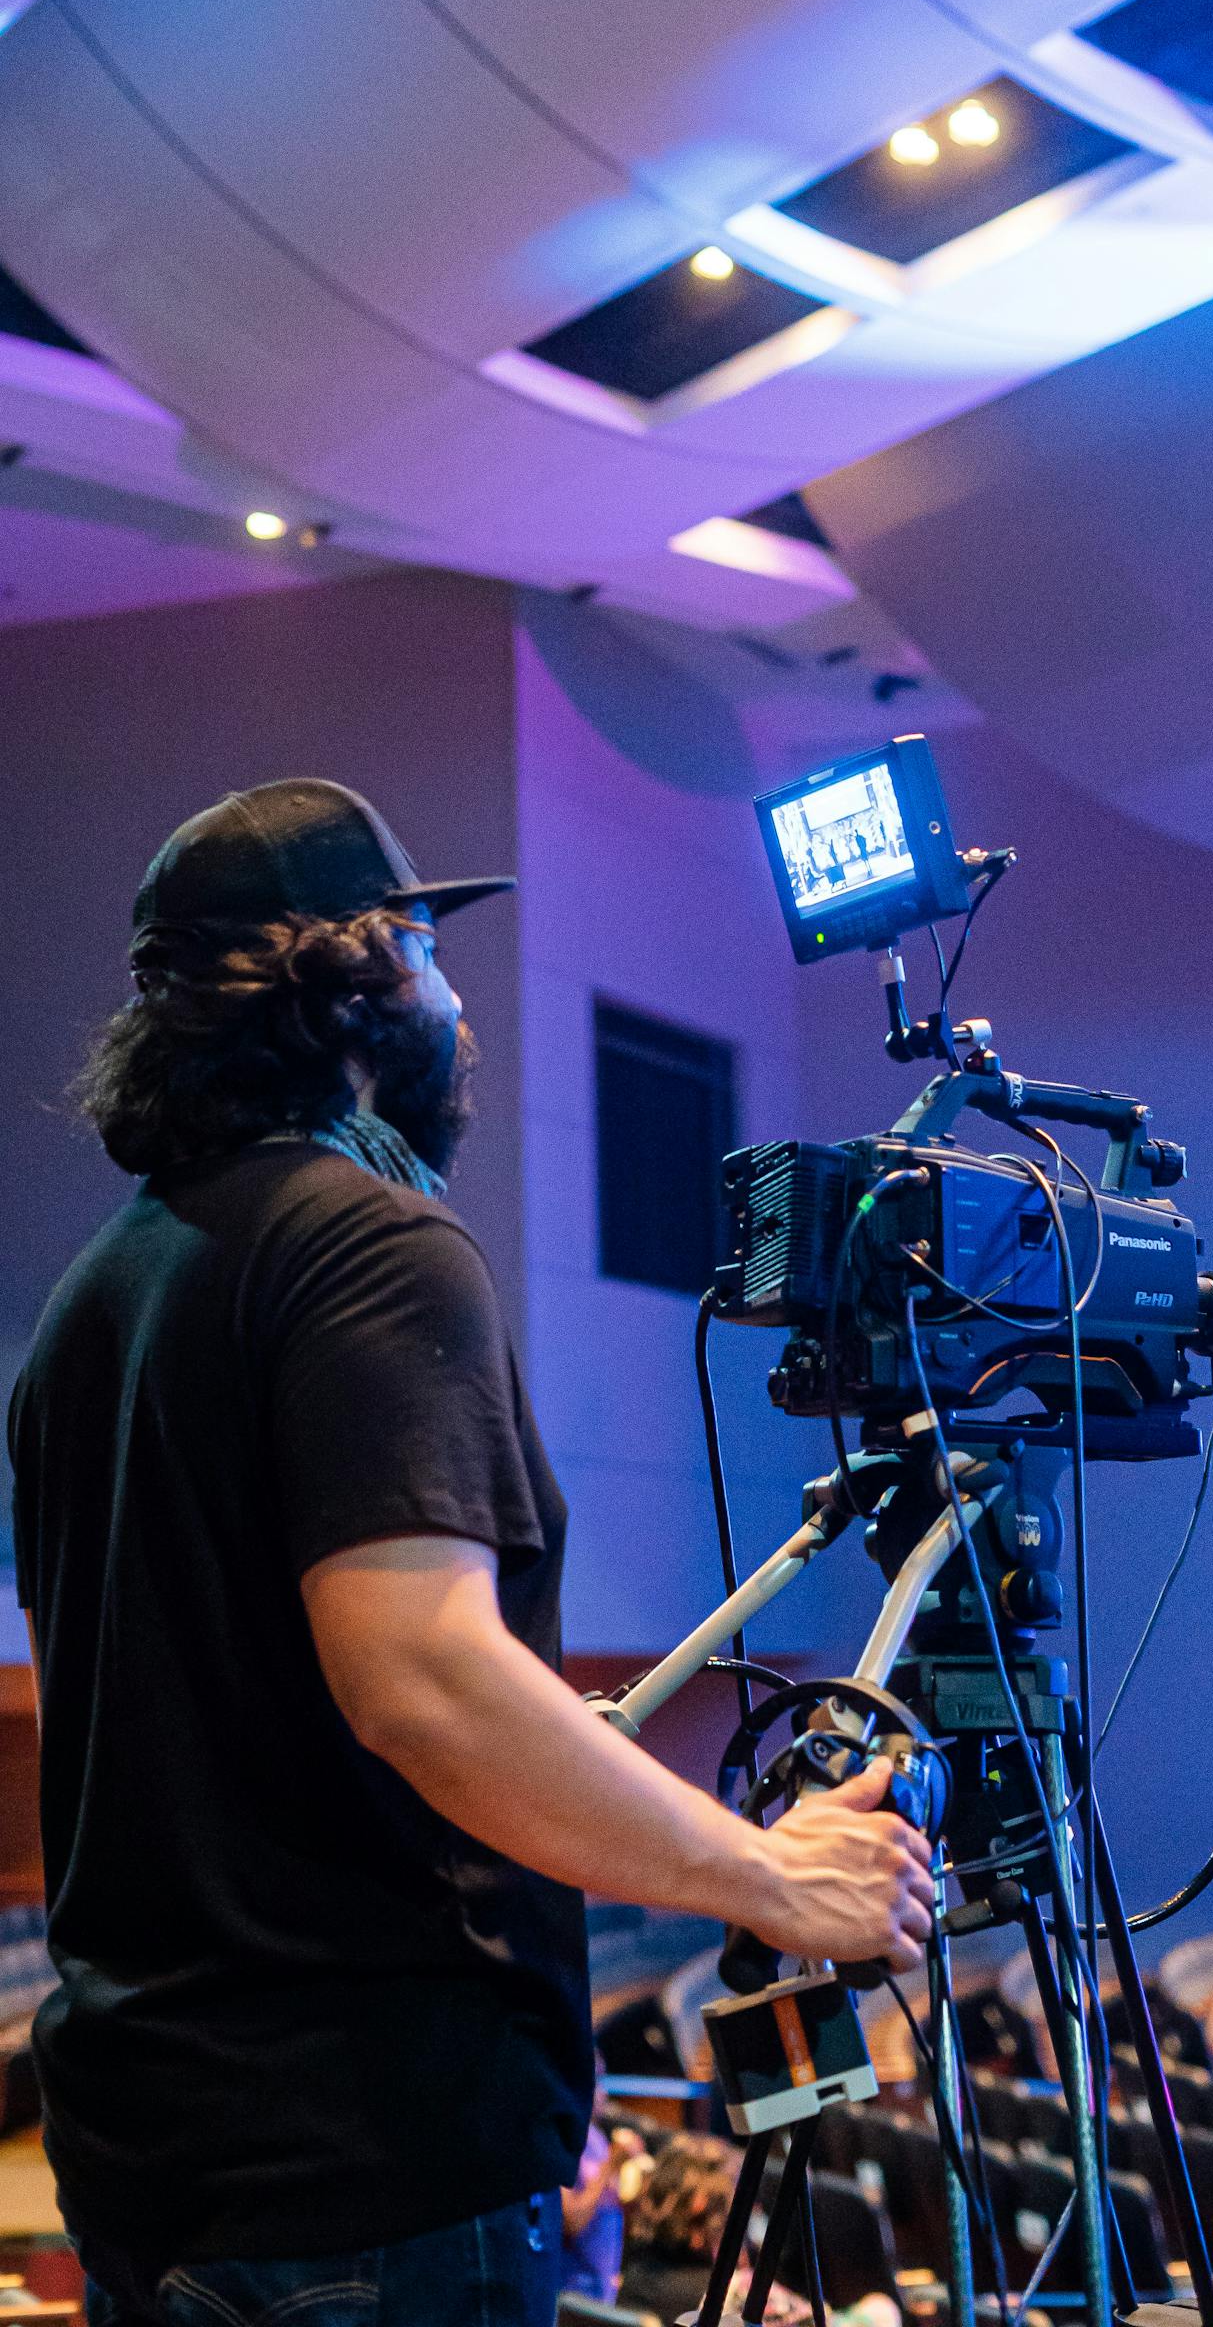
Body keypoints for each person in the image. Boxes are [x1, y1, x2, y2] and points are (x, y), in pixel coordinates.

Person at [7, 779, 933, 2327]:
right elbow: (421, 1686)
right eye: (432, 955)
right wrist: (771, 1877)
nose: (460, 1006)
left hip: (162, 2171)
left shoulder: (99, 1296)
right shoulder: (373, 1249)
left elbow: (220, 1709)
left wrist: (537, 1741)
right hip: (364, 2190)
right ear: (358, 981)